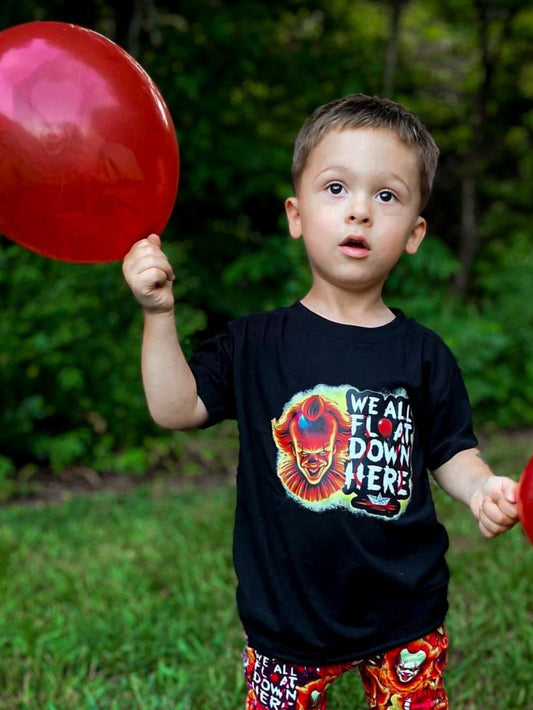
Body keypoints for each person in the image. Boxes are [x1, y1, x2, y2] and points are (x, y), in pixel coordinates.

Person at [122, 93, 518, 710]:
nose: (359, 210)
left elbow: (450, 449)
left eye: (386, 196)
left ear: (415, 232)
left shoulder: (424, 354)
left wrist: (480, 487)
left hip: (404, 613)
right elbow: (177, 409)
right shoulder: (255, 342)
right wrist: (158, 315)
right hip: (288, 619)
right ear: (296, 214)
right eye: (336, 188)